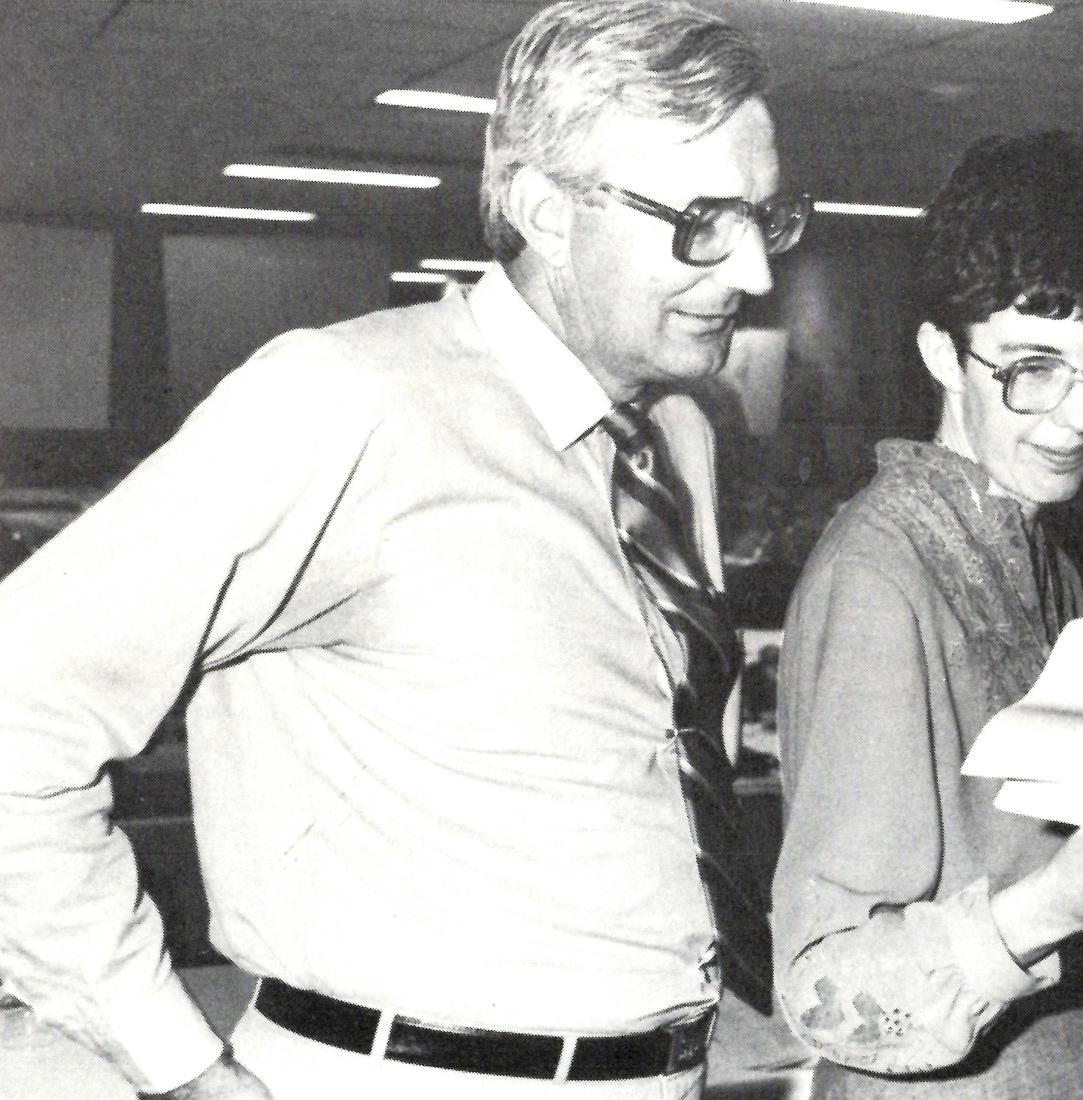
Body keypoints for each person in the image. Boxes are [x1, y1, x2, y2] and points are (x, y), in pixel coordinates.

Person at [0, 2, 811, 1098]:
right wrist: (175, 1060)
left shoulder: (678, 440)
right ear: (543, 209)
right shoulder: (344, 402)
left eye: (768, 215)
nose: (755, 272)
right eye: (704, 219)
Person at [771, 131, 1083, 1099]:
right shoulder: (882, 573)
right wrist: (1058, 902)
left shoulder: (1040, 545)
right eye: (1033, 368)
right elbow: (823, 987)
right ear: (941, 354)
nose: (1080, 415)